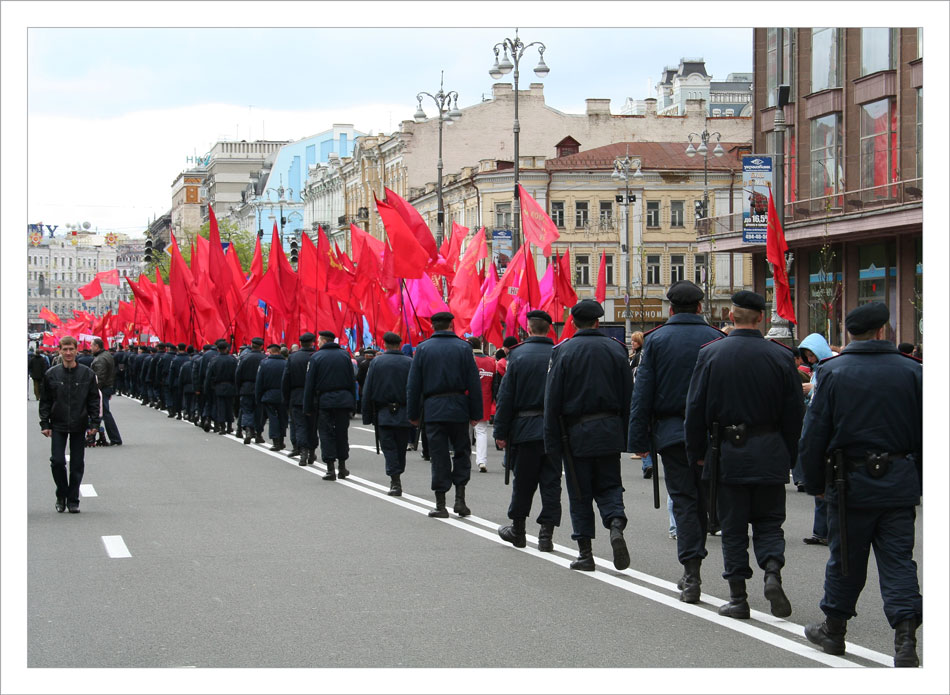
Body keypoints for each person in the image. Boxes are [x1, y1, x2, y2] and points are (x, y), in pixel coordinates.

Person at [799, 302, 923, 667]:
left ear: (848, 333)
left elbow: (814, 433)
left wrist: (814, 482)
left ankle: (834, 630)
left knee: (846, 560)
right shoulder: (912, 372)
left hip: (848, 481)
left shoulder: (833, 372)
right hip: (899, 480)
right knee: (899, 560)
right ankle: (905, 638)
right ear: (883, 330)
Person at [684, 291, 804, 619]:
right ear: (761, 318)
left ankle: (738, 597)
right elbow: (795, 414)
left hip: (727, 454)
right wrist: (790, 456)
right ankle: (772, 572)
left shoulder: (711, 354)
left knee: (733, 528)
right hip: (770, 451)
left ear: (731, 316)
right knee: (769, 522)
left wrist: (696, 454)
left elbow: (695, 410)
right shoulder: (781, 357)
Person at [628, 281, 725, 603]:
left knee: (683, 500)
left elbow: (642, 393)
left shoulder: (655, 341)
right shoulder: (718, 338)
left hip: (672, 433)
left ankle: (692, 571)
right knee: (707, 498)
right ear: (700, 307)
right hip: (714, 435)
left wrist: (638, 439)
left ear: (670, 308)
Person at [544, 299, 633, 572]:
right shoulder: (617, 350)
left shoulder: (564, 352)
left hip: (576, 435)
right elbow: (629, 396)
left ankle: (586, 553)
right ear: (598, 322)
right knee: (609, 485)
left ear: (573, 322)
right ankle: (615, 523)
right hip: (609, 431)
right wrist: (627, 435)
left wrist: (552, 443)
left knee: (580, 493)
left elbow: (553, 400)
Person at [493, 310, 562, 551]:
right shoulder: (559, 353)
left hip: (524, 429)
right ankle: (546, 535)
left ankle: (518, 530)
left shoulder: (517, 355)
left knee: (523, 482)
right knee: (551, 483)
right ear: (549, 329)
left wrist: (500, 432)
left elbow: (506, 397)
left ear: (529, 328)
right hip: (554, 430)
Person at [407, 311, 482, 518]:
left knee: (438, 455)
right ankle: (460, 499)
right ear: (451, 325)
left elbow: (413, 386)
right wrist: (476, 412)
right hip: (459, 407)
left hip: (433, 409)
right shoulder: (464, 348)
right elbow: (473, 383)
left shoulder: (422, 349)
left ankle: (441, 504)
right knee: (461, 452)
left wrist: (413, 414)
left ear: (433, 326)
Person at [38, 336, 101, 513]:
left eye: (71, 349)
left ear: (76, 350)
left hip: (79, 424)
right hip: (57, 424)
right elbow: (45, 401)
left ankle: (73, 499)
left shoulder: (87, 374)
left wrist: (94, 423)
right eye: (64, 349)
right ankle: (61, 494)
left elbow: (94, 400)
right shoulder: (51, 374)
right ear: (59, 350)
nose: (68, 353)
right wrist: (44, 423)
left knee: (77, 464)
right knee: (57, 461)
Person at [795, 333, 837, 546]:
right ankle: (820, 531)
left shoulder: (830, 368)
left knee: (826, 486)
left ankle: (826, 531)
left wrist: (813, 390)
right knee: (821, 486)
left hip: (824, 431)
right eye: (807, 356)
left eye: (812, 354)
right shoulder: (820, 369)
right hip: (817, 426)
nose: (810, 359)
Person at [361, 332, 413, 495]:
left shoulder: (377, 362)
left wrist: (366, 415)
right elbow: (415, 390)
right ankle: (397, 475)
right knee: (400, 446)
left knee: (388, 447)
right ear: (400, 344)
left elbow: (368, 390)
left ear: (384, 344)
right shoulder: (409, 362)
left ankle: (395, 479)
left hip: (383, 412)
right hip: (405, 412)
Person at [303, 331, 357, 479]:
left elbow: (310, 384)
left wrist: (307, 407)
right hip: (343, 400)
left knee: (326, 434)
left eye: (319, 341)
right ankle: (342, 467)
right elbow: (352, 381)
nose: (317, 343)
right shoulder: (345, 356)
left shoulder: (316, 357)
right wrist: (353, 403)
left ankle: (330, 468)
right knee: (341, 433)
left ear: (324, 341)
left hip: (325, 401)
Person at [282, 332, 316, 460]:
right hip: (313, 396)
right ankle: (312, 451)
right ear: (312, 342)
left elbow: (286, 379)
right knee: (312, 425)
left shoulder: (293, 357)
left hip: (297, 395)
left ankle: (303, 452)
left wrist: (285, 397)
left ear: (300, 343)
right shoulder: (316, 356)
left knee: (300, 425)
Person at [627, 330, 655, 480]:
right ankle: (649, 462)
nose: (632, 343)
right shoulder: (637, 356)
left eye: (635, 341)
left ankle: (647, 462)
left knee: (645, 430)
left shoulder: (639, 357)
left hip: (640, 396)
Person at [469, 336, 496, 473]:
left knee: (465, 431)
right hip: (484, 399)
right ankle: (481, 461)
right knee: (482, 431)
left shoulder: (467, 360)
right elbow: (495, 385)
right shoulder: (491, 361)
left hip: (466, 398)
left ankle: (465, 459)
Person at [256, 343, 288, 451]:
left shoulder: (264, 363)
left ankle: (275, 441)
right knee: (282, 418)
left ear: (271, 352)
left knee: (273, 418)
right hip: (283, 395)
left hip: (268, 395)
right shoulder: (286, 363)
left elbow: (259, 382)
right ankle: (282, 440)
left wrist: (258, 397)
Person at [90, 337, 122, 446]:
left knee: (103, 412)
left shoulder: (101, 359)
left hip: (102, 388)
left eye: (91, 345)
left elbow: (100, 377)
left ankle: (114, 438)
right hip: (107, 387)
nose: (90, 348)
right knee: (102, 412)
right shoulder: (106, 355)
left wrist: (94, 390)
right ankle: (94, 435)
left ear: (97, 346)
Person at [236, 337, 267, 444]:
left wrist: (239, 387)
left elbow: (238, 374)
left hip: (246, 387)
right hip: (260, 388)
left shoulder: (244, 358)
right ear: (262, 346)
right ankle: (258, 434)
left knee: (247, 410)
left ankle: (248, 430)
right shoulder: (265, 358)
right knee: (259, 412)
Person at [204, 339, 237, 434]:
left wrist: (207, 388)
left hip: (218, 386)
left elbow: (209, 375)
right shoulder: (233, 359)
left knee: (220, 406)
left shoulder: (214, 360)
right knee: (230, 406)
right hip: (230, 385)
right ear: (227, 348)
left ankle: (222, 426)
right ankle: (230, 426)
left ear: (218, 349)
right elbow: (236, 374)